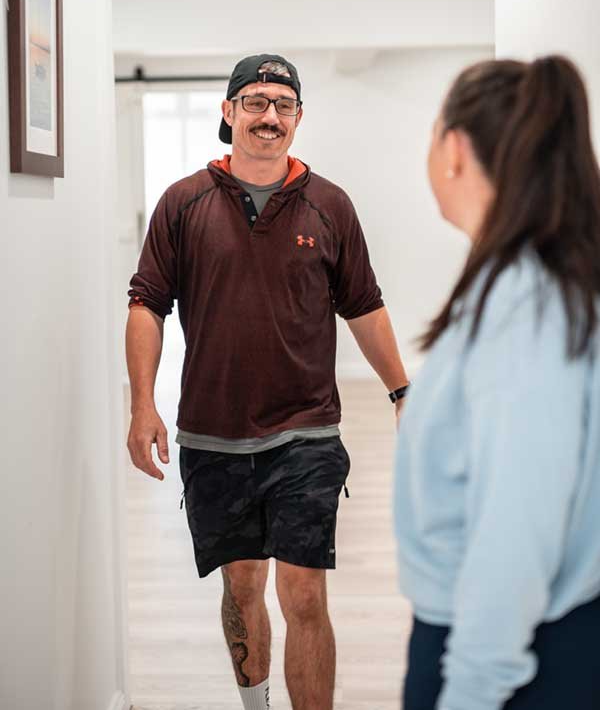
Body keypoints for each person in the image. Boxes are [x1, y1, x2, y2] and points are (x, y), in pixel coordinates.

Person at [126, 53, 410, 710]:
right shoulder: (183, 202)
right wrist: (143, 405)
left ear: (299, 118)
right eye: (254, 102)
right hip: (213, 434)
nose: (269, 116)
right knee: (243, 588)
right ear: (228, 113)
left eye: (282, 105)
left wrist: (402, 390)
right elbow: (147, 303)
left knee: (305, 594)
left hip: (306, 430)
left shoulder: (330, 204)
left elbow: (363, 304)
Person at [394, 54, 600, 710]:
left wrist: (472, 690)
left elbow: (515, 533)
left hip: (506, 662)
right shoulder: (526, 288)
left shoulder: (523, 311)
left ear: (454, 150)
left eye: (432, 133)